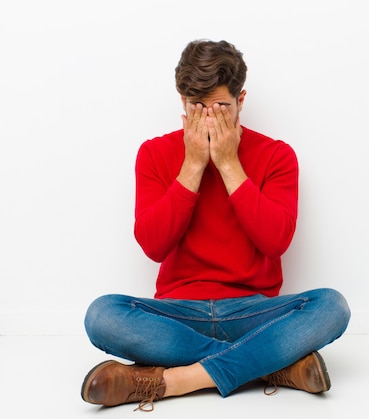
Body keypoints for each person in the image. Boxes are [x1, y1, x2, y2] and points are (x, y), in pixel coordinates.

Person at [80, 39, 351, 412]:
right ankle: (271, 367)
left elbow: (276, 242)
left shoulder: (276, 155)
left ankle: (173, 381)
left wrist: (228, 164)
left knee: (332, 306)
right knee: (101, 315)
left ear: (240, 101)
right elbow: (153, 245)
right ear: (182, 102)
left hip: (252, 312)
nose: (209, 119)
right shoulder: (155, 153)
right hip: (178, 316)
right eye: (198, 107)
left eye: (221, 107)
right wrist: (192, 165)